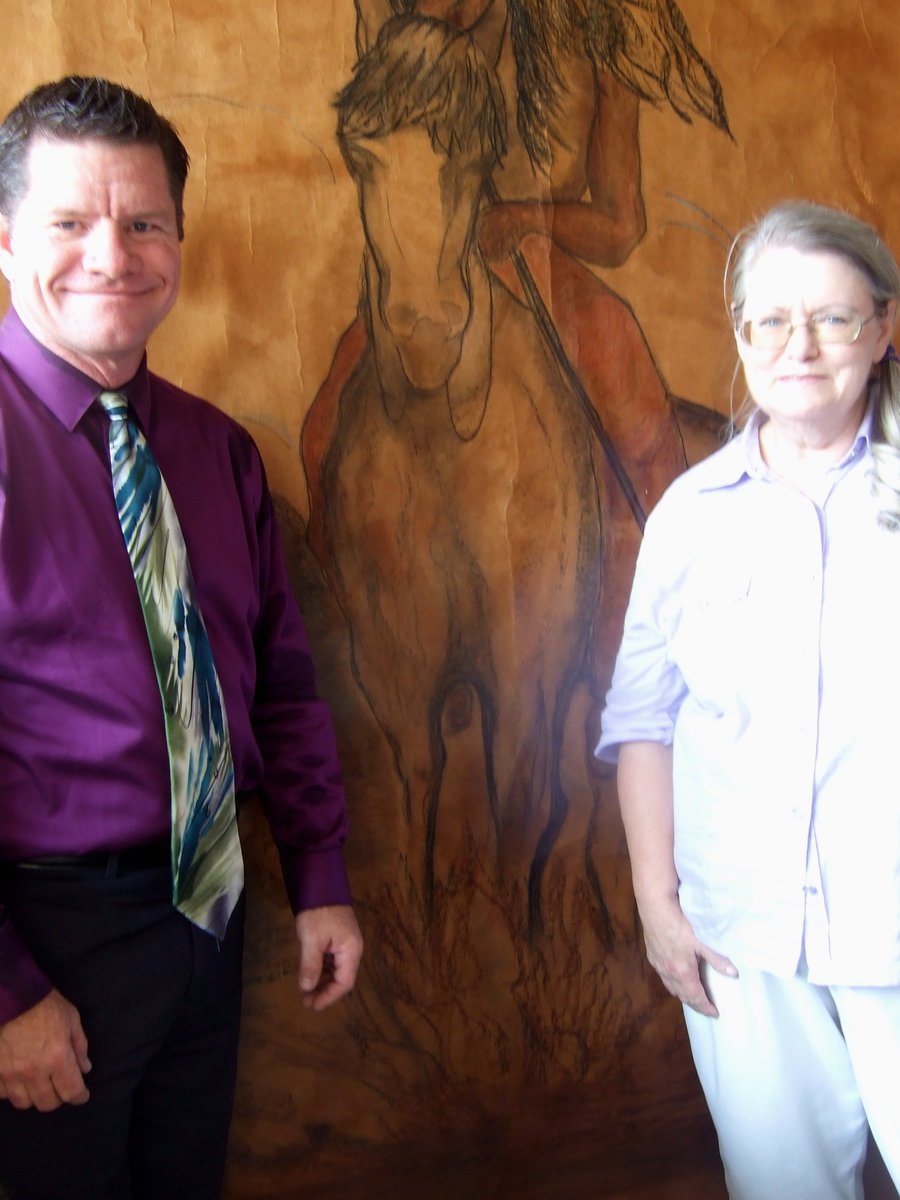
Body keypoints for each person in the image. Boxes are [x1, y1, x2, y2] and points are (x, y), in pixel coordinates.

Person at [0, 76, 363, 1200]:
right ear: (8, 239)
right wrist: (5, 994)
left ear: (179, 240)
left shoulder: (217, 453)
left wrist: (321, 875)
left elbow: (284, 687)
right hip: (47, 937)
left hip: (211, 918)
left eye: (143, 221)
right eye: (69, 222)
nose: (112, 253)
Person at [596, 200, 900, 1200]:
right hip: (743, 943)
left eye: (833, 317)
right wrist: (656, 902)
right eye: (769, 320)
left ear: (886, 328)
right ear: (738, 335)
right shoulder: (691, 516)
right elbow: (643, 721)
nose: (798, 345)